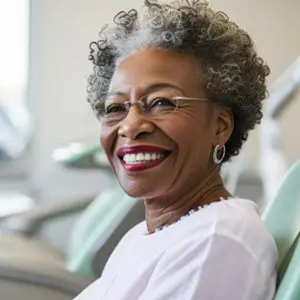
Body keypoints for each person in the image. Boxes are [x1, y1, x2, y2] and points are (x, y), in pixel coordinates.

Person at [75, 0, 278, 299]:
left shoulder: (217, 241)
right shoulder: (144, 236)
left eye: (161, 102)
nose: (129, 126)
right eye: (116, 107)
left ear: (220, 126)